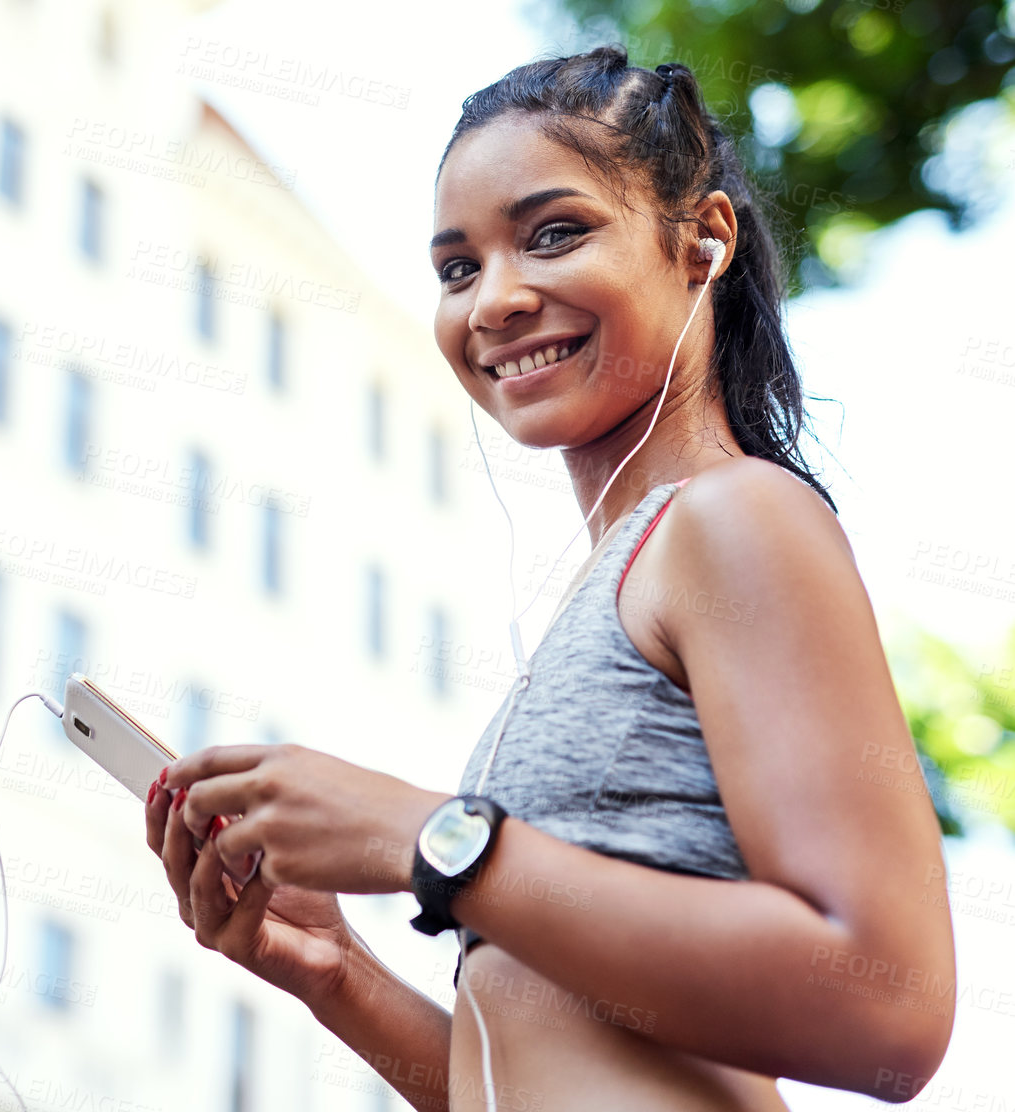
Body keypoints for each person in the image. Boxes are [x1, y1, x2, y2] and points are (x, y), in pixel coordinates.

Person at [143, 44, 955, 1111]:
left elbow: (890, 1013)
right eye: (456, 266)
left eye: (554, 233)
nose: (496, 300)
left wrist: (426, 836)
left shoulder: (734, 517)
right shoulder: (614, 583)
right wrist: (336, 974)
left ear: (703, 238)